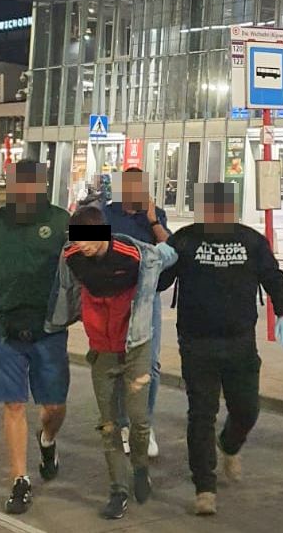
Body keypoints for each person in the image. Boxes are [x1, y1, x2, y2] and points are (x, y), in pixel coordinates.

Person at [159, 182, 283, 516]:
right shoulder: (186, 240)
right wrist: (159, 259)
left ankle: (230, 445)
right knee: (201, 414)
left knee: (247, 409)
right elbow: (161, 282)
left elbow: (274, 278)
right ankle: (205, 487)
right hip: (196, 342)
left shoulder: (250, 241)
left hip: (239, 342)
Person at [0, 160, 71, 516]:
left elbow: (101, 245)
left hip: (49, 329)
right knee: (14, 404)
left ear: (41, 187)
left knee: (54, 407)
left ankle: (47, 439)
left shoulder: (62, 220)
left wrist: (102, 223)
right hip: (6, 326)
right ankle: (20, 479)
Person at [46, 206, 176, 520]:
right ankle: (118, 491)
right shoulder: (72, 255)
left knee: (138, 420)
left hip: (134, 347)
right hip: (102, 351)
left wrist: (169, 248)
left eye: (87, 240)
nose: (82, 247)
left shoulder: (132, 253)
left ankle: (140, 468)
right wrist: (57, 322)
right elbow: (64, 289)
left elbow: (167, 254)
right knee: (109, 425)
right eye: (77, 240)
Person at [104, 167, 171, 458]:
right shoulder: (106, 213)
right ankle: (123, 424)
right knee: (121, 362)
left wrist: (153, 219)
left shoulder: (154, 215)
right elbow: (80, 240)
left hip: (147, 298)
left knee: (150, 364)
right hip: (114, 297)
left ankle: (144, 424)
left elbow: (171, 249)